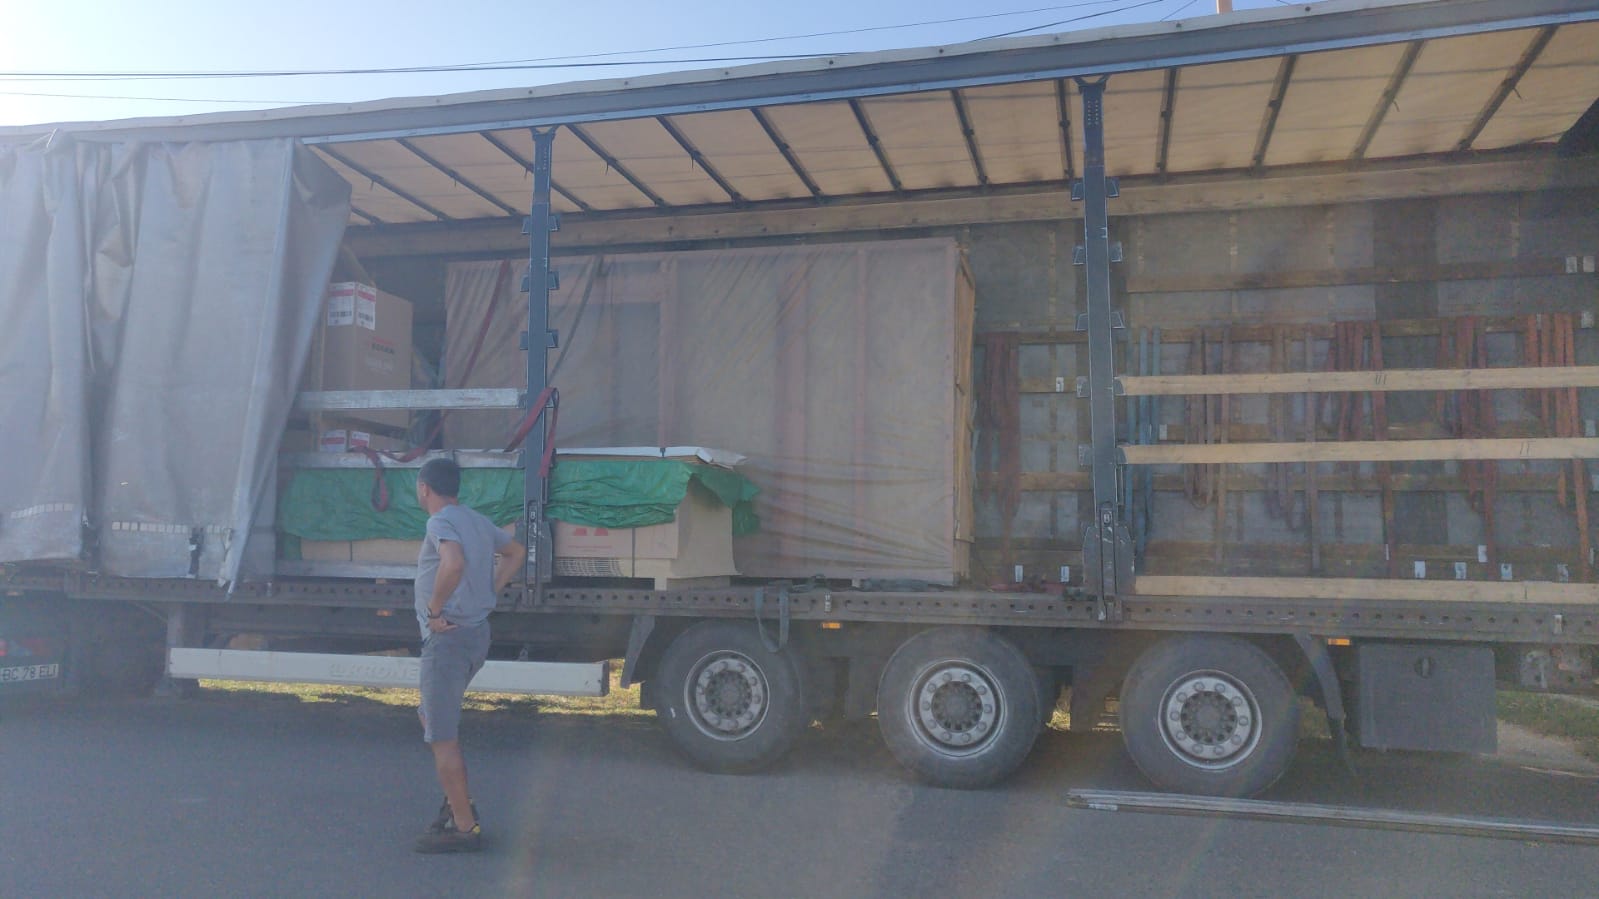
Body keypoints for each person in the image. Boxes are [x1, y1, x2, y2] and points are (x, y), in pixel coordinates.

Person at [410, 457, 523, 854]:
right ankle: (457, 798)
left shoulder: (439, 522)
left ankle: (463, 825)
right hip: (475, 635)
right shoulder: (476, 520)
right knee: (428, 715)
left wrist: (435, 610)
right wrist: (490, 590)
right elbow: (515, 552)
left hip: (448, 640)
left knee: (441, 736)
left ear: (424, 488)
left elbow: (453, 563)